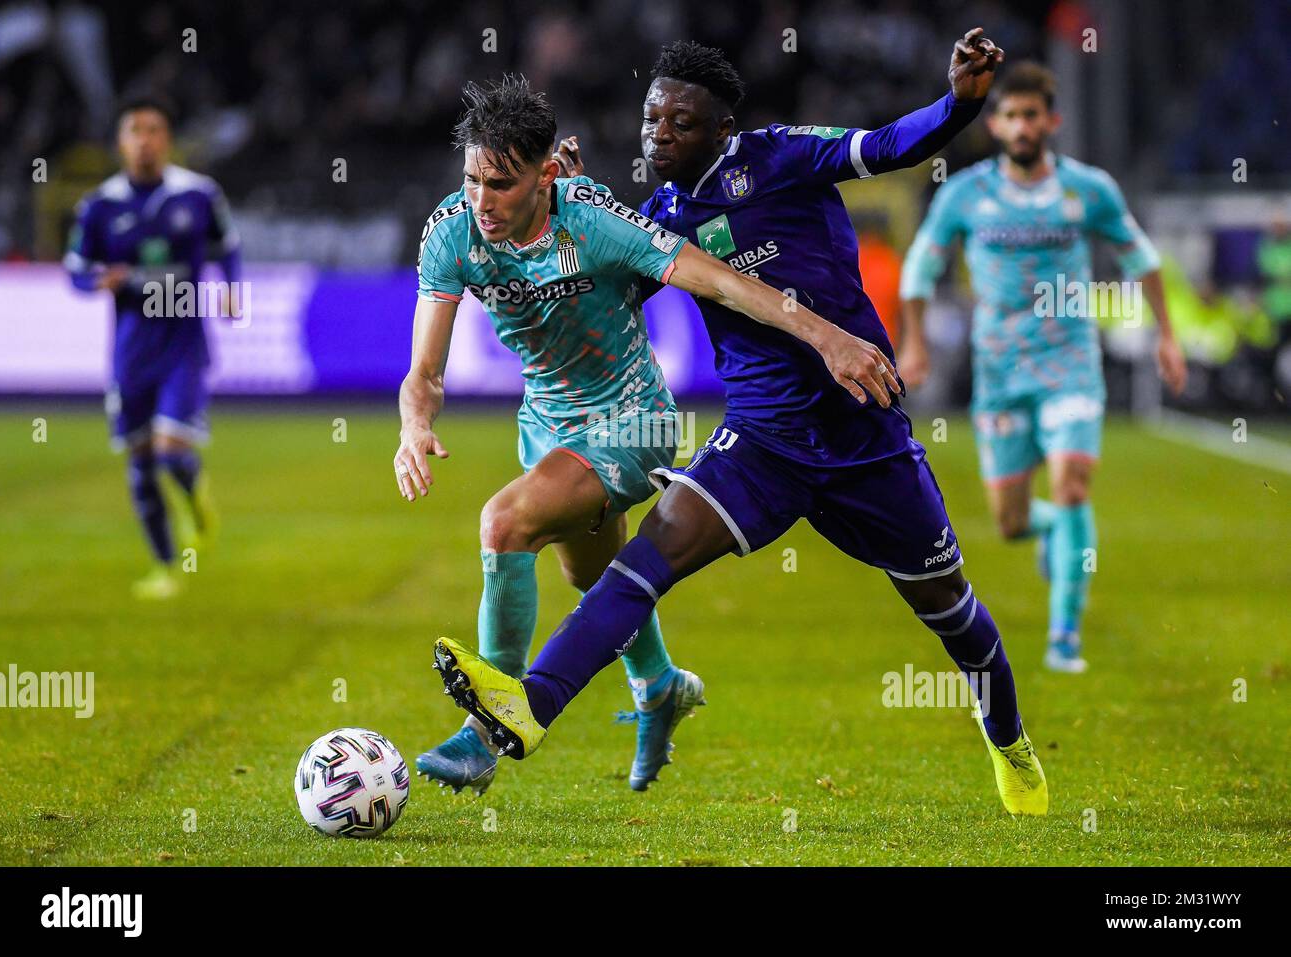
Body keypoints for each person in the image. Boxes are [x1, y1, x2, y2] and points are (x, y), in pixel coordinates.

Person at [433, 32, 1051, 815]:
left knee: (951, 611)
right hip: (759, 442)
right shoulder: (659, 215)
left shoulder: (783, 156)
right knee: (640, 565)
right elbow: (614, 298)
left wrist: (960, 102)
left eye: (680, 123)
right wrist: (573, 225)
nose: (659, 134)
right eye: (652, 118)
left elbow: (892, 143)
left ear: (722, 129)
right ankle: (529, 704)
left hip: (864, 440)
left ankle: (1010, 741)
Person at [401, 75, 893, 793]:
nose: (482, 202)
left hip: (635, 418)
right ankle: (661, 687)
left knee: (504, 523)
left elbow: (722, 282)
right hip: (550, 425)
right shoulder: (452, 232)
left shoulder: (595, 220)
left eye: (501, 184)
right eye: (472, 180)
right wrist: (414, 426)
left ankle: (489, 725)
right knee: (595, 579)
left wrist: (828, 337)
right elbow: (426, 371)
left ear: (546, 175)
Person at [899, 61, 1188, 673]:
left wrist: (1168, 336)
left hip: (1071, 362)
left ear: (1051, 121)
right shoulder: (966, 194)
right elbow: (920, 268)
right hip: (1000, 370)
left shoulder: (1089, 190)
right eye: (1010, 115)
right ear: (996, 126)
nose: (1022, 125)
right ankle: (1056, 533)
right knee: (1010, 522)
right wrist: (915, 342)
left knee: (1073, 484)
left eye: (1032, 115)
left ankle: (1065, 637)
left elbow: (1143, 257)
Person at [65, 95, 236, 600]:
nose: (145, 139)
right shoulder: (100, 205)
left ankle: (196, 502)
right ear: (121, 142)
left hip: (182, 343)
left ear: (167, 139)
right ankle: (165, 567)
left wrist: (228, 285)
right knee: (139, 466)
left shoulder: (198, 195)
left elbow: (227, 246)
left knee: (170, 453)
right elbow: (75, 268)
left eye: (154, 129)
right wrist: (99, 278)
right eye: (135, 130)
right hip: (130, 351)